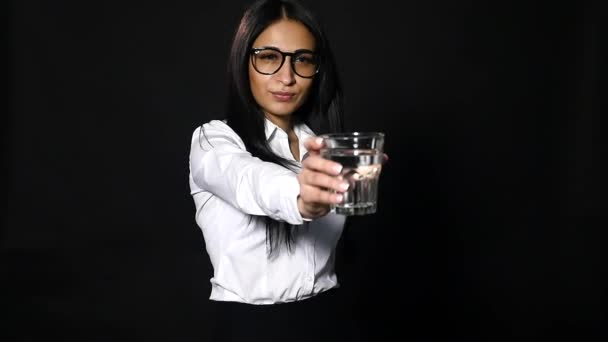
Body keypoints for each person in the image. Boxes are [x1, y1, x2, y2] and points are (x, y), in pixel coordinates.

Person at [188, 0, 364, 339]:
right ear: (245, 62)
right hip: (252, 327)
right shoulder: (214, 141)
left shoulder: (324, 149)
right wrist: (303, 197)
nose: (287, 77)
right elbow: (249, 181)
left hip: (331, 318)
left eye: (302, 60)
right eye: (269, 57)